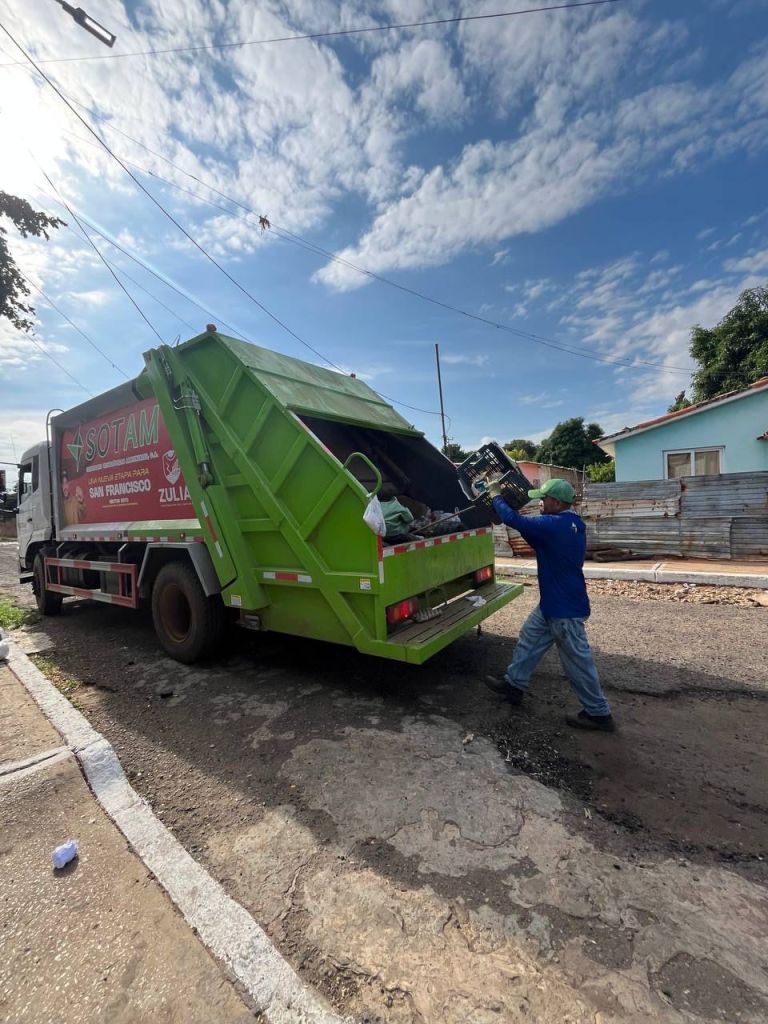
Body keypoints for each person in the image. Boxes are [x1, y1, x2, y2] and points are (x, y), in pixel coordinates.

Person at [485, 477, 615, 732]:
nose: (540, 503)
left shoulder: (554, 524)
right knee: (529, 638)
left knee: (577, 662)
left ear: (556, 502)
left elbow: (514, 520)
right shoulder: (572, 524)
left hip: (564, 609)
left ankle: (599, 713)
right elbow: (535, 536)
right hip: (553, 603)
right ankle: (514, 684)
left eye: (543, 499)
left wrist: (495, 496)